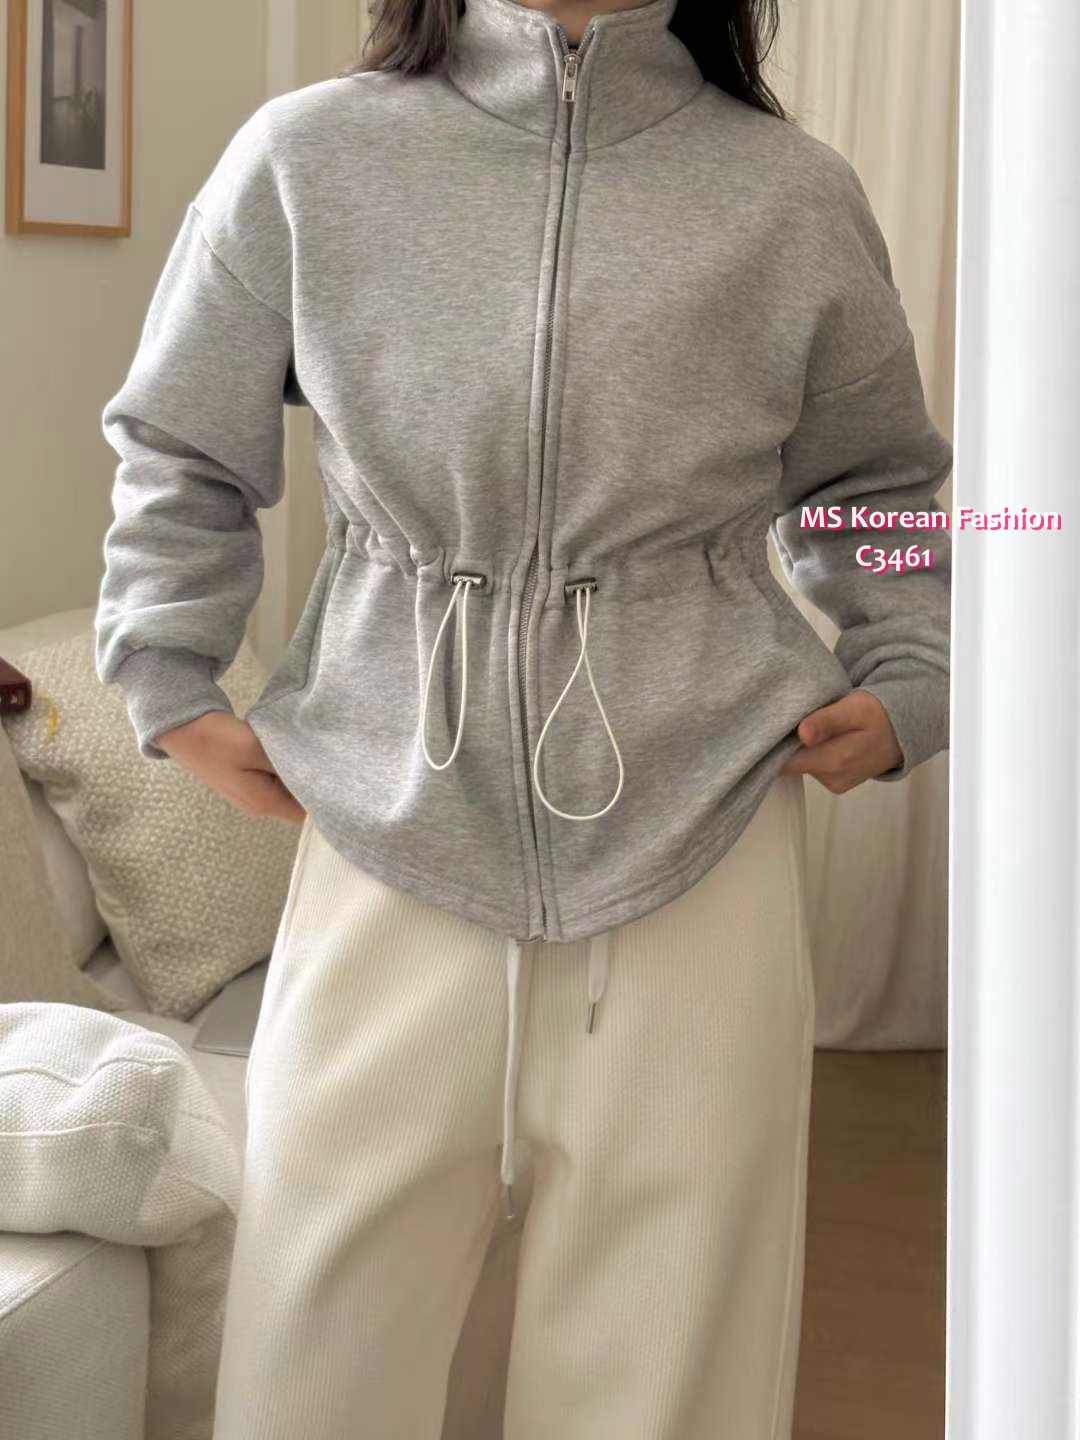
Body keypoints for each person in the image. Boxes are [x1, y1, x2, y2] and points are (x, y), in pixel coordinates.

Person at [93, 0, 953, 1434]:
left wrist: (912, 663)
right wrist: (166, 672)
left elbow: (879, 487)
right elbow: (181, 441)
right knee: (320, 1330)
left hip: (704, 818)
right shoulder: (306, 157)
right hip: (385, 807)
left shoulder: (791, 194)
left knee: (668, 1348)